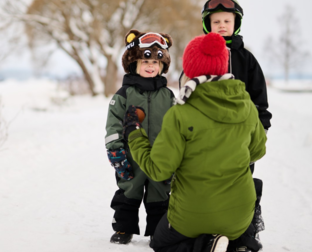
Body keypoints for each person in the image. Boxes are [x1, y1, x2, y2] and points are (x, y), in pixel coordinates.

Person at [124, 32, 267, 252]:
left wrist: (134, 134)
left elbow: (159, 170)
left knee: (159, 242)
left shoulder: (180, 114)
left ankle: (207, 245)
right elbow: (257, 150)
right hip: (239, 217)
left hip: (191, 216)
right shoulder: (246, 104)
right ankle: (236, 243)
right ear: (223, 67)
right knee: (236, 213)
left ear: (189, 70)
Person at [197, 1, 273, 250]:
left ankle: (245, 232)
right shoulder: (201, 55)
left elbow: (259, 98)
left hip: (241, 136)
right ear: (207, 24)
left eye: (226, 21)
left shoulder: (246, 58)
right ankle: (212, 230)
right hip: (209, 136)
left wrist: (260, 128)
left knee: (241, 184)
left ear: (235, 24)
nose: (221, 26)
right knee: (210, 180)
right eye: (216, 21)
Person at [104, 29, 175, 244]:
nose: (150, 66)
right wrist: (116, 150)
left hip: (160, 156)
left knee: (160, 194)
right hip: (131, 156)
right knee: (128, 191)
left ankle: (158, 231)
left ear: (162, 66)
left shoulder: (168, 95)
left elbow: (176, 125)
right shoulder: (124, 94)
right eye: (145, 62)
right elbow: (113, 124)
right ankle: (124, 229)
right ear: (134, 64)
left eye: (155, 62)